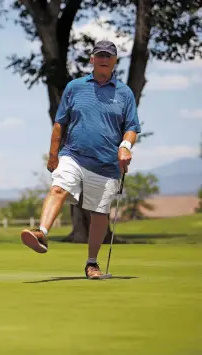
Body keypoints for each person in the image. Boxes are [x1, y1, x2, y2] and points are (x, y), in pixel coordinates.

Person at [20, 40, 141, 279]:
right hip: (73, 154)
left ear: (115, 61)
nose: (104, 59)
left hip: (107, 164)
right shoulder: (75, 87)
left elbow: (132, 127)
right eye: (100, 55)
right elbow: (59, 123)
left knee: (99, 214)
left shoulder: (124, 93)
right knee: (57, 188)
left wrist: (125, 147)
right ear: (92, 59)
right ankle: (42, 233)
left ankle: (92, 263)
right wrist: (53, 154)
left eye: (109, 56)